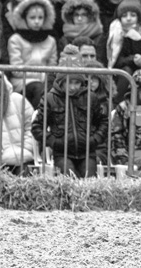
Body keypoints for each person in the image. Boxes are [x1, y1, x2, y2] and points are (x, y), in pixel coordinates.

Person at [31, 48, 108, 178]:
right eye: (69, 82)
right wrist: (54, 142)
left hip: (87, 151)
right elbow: (37, 126)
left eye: (77, 83)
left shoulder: (90, 97)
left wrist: (95, 139)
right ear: (61, 82)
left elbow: (103, 121)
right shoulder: (50, 98)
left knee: (89, 179)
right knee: (69, 177)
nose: (73, 87)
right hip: (62, 153)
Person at [7, 0, 58, 109]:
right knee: (39, 89)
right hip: (22, 82)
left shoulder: (51, 40)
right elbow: (16, 70)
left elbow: (53, 67)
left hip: (45, 82)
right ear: (24, 18)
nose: (36, 21)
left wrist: (45, 77)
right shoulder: (16, 39)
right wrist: (41, 73)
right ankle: (37, 121)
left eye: (40, 18)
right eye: (32, 17)